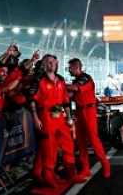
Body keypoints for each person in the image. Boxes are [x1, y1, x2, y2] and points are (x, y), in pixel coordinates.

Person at [29, 55, 75, 187]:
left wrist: (69, 118)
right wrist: (35, 117)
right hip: (45, 115)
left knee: (68, 142)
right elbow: (31, 99)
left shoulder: (60, 79)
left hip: (59, 114)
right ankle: (49, 176)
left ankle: (71, 172)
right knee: (49, 147)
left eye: (53, 62)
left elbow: (66, 100)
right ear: (44, 64)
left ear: (56, 64)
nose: (51, 65)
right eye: (48, 62)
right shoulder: (38, 80)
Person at [66, 58, 110, 181]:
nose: (69, 70)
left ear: (76, 67)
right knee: (80, 142)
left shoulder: (85, 78)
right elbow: (70, 94)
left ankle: (105, 165)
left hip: (88, 111)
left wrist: (60, 84)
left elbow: (75, 89)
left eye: (70, 68)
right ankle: (86, 169)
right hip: (79, 111)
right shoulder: (77, 80)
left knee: (93, 140)